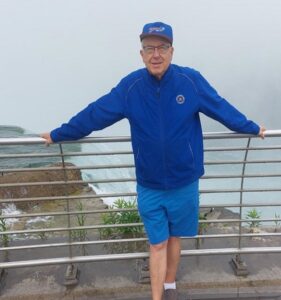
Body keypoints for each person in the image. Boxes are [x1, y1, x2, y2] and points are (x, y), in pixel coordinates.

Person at [41, 21, 266, 300]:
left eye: (162, 47)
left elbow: (220, 107)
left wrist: (251, 127)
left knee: (175, 237)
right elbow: (95, 114)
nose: (155, 54)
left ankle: (170, 285)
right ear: (141, 53)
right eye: (149, 48)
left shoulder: (190, 81)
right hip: (150, 183)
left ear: (172, 51)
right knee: (157, 242)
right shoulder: (131, 87)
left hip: (185, 180)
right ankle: (157, 296)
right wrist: (59, 134)